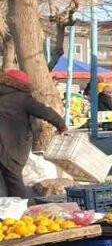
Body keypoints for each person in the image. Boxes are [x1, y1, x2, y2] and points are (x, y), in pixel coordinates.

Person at [0, 69, 67, 198]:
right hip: (11, 145)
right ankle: (18, 210)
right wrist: (61, 126)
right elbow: (46, 112)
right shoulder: (22, 98)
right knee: (14, 180)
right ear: (23, 85)